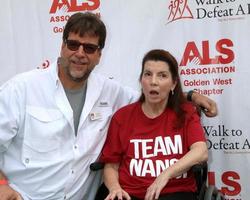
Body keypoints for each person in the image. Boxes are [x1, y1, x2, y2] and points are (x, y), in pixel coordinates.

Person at [0, 12, 215, 200]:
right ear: (63, 45)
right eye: (73, 44)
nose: (80, 53)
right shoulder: (21, 89)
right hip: (25, 195)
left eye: (90, 48)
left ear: (99, 55)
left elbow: (153, 96)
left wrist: (190, 96)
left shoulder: (109, 91)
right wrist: (1, 186)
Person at [101, 49, 208, 200]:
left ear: (173, 84)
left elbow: (201, 151)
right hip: (130, 193)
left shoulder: (186, 113)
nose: (153, 82)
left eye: (162, 75)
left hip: (174, 192)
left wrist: (165, 175)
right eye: (148, 74)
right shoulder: (122, 117)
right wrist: (115, 188)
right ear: (141, 80)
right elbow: (111, 166)